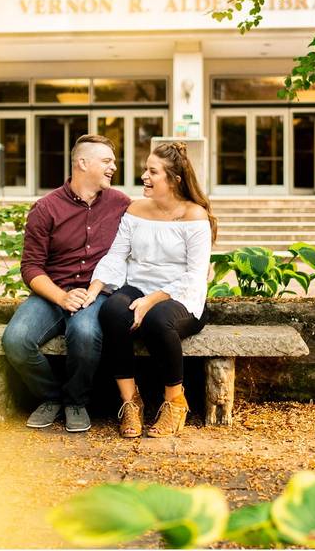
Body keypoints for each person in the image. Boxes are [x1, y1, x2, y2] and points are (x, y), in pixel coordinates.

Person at [83, 141, 217, 438]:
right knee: (113, 311)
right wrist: (95, 288)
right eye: (146, 169)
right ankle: (130, 401)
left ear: (173, 180)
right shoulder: (136, 210)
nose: (144, 175)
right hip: (139, 286)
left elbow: (195, 275)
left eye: (152, 171)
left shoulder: (194, 216)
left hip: (182, 296)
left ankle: (175, 402)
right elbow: (117, 255)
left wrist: (151, 300)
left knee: (158, 320)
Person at [3, 134, 131, 432]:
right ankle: (51, 397)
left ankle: (76, 401)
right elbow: (31, 266)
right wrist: (61, 298)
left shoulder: (120, 204)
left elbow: (153, 224)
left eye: (113, 161)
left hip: (94, 293)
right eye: (107, 161)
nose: (114, 166)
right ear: (83, 163)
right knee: (16, 341)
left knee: (85, 333)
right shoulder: (46, 208)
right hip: (52, 292)